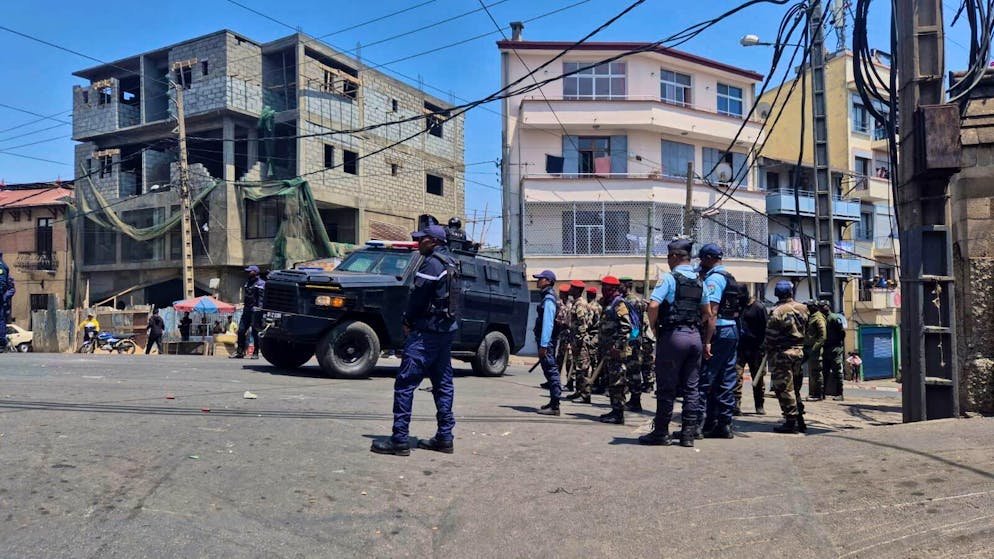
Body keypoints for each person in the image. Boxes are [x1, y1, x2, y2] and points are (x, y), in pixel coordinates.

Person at [371, 224, 459, 455]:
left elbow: (418, 297)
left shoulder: (432, 263)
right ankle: (445, 438)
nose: (418, 243)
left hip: (425, 334)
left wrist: (407, 320)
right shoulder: (451, 262)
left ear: (433, 241)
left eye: (422, 239)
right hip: (445, 332)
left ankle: (399, 440)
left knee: (405, 384)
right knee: (443, 385)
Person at [639, 239, 710, 447]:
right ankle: (688, 434)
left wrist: (654, 327)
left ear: (675, 257)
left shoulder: (669, 279)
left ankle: (661, 432)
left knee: (666, 386)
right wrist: (693, 322)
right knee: (691, 388)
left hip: (673, 337)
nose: (668, 261)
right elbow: (707, 313)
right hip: (694, 337)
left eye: (669, 257)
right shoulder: (700, 282)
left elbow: (653, 305)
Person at [696, 243, 740, 439]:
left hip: (718, 331)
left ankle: (696, 425)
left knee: (705, 378)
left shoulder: (714, 279)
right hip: (731, 329)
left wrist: (707, 340)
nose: (700, 263)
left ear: (708, 258)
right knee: (725, 379)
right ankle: (724, 424)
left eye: (702, 259)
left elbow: (711, 312)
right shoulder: (730, 277)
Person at [764, 281, 809, 434]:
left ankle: (791, 421)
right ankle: (800, 418)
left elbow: (770, 336)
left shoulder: (777, 312)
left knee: (784, 388)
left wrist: (767, 349)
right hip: (799, 351)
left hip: (782, 353)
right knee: (795, 387)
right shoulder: (803, 308)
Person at [597, 276, 633, 425]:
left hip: (616, 352)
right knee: (612, 381)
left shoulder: (619, 303)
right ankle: (614, 410)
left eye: (605, 288)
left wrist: (617, 346)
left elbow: (626, 327)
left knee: (618, 381)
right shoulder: (609, 303)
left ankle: (618, 414)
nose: (602, 290)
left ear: (611, 289)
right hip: (609, 351)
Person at [532, 270, 563, 416]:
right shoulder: (547, 297)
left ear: (548, 281)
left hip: (547, 342)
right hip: (547, 342)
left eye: (541, 278)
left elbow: (548, 323)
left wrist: (544, 345)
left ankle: (555, 406)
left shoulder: (549, 299)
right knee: (549, 371)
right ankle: (552, 402)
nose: (538, 281)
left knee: (551, 371)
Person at [735, 293, 768, 415]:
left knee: (757, 378)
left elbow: (766, 326)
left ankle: (759, 405)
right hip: (740, 347)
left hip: (756, 348)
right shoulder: (739, 306)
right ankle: (736, 405)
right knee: (736, 376)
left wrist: (764, 346)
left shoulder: (759, 307)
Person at [563, 280, 594, 404]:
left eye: (572, 288)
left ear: (577, 290)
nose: (570, 290)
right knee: (578, 367)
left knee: (583, 368)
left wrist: (579, 339)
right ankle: (579, 391)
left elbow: (583, 324)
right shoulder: (576, 303)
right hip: (575, 340)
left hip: (580, 341)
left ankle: (585, 395)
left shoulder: (580, 304)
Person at [619, 277, 647, 412]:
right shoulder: (627, 300)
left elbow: (636, 323)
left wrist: (632, 339)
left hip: (632, 339)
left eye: (622, 285)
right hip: (631, 338)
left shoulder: (632, 301)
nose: (619, 287)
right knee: (628, 370)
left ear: (628, 286)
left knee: (633, 370)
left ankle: (635, 400)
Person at [231, 265, 265, 359]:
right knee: (241, 330)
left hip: (255, 311)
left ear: (255, 272)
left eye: (250, 271)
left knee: (255, 332)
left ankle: (255, 353)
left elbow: (261, 299)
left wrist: (259, 310)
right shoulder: (247, 283)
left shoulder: (261, 283)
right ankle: (240, 352)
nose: (248, 273)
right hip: (246, 310)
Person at [822, 301, 847, 401]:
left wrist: (837, 343)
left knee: (837, 371)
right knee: (824, 371)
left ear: (828, 307)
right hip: (825, 348)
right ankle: (823, 393)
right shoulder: (822, 318)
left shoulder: (834, 318)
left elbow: (842, 333)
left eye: (823, 306)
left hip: (834, 348)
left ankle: (839, 393)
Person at [803, 300, 827, 401]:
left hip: (815, 350)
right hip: (807, 348)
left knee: (816, 373)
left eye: (809, 306)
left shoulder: (818, 318)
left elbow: (823, 337)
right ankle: (812, 393)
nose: (807, 308)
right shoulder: (810, 317)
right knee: (811, 373)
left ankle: (818, 394)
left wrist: (814, 349)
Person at [552, 283, 573, 391]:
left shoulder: (571, 305)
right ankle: (554, 381)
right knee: (559, 359)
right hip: (562, 335)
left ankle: (570, 383)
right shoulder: (559, 304)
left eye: (561, 293)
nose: (560, 294)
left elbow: (570, 322)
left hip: (569, 335)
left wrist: (563, 323)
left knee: (569, 360)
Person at [0, 251, 13, 351]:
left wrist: (4, 297)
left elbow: (11, 288)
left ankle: (1, 342)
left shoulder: (3, 267)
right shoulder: (5, 267)